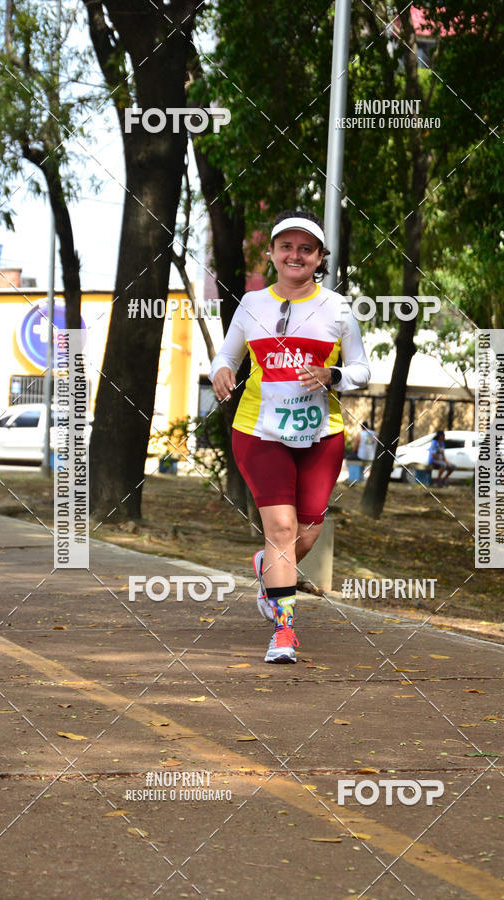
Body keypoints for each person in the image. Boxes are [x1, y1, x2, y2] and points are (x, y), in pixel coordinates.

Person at [210, 210, 370, 663]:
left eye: (306, 249)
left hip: (322, 435)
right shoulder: (252, 304)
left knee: (307, 531)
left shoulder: (338, 309)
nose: (295, 255)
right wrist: (221, 369)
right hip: (260, 431)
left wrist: (331, 373)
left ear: (320, 258)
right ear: (273, 254)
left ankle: (268, 568)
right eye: (286, 246)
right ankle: (283, 631)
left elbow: (361, 369)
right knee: (279, 528)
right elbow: (227, 352)